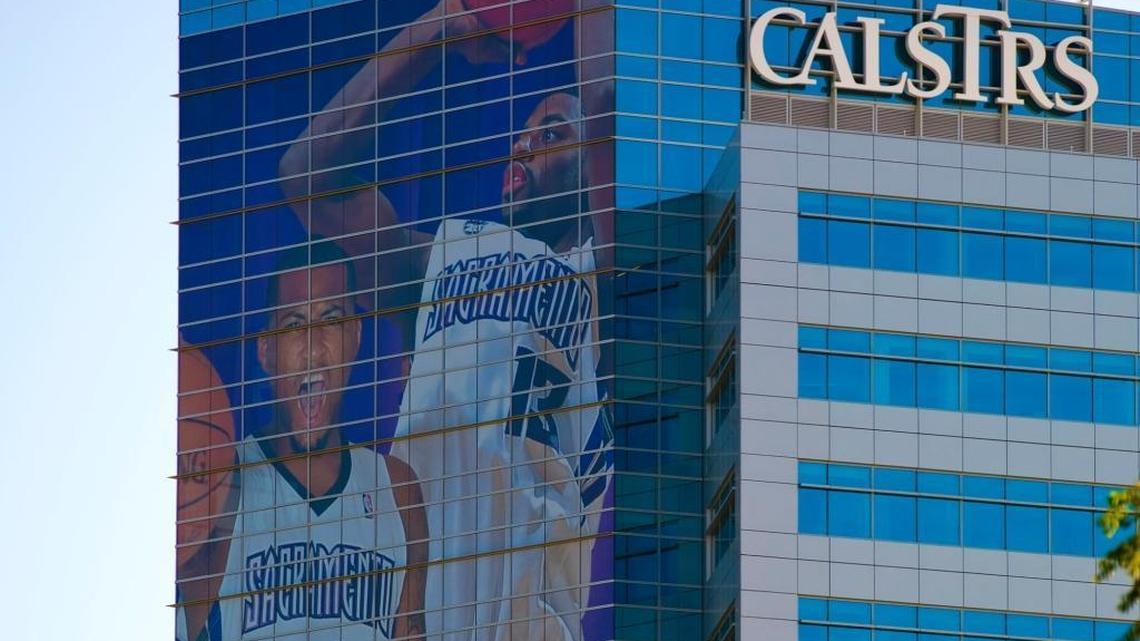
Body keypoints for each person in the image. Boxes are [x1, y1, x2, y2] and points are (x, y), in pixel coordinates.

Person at [176, 246, 428, 641]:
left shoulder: (398, 491)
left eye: (331, 320)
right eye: (294, 324)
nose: (312, 347)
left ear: (355, 337)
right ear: (266, 350)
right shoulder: (222, 485)